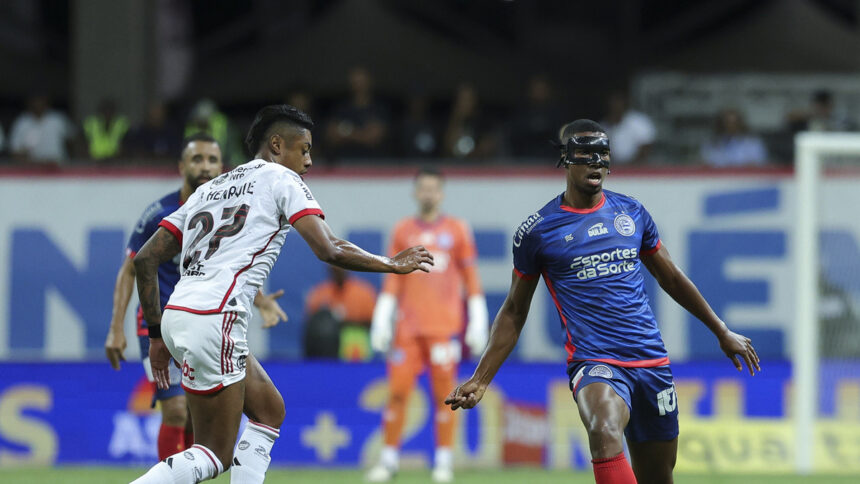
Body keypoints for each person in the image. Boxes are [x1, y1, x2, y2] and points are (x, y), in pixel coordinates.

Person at [444, 119, 760, 484]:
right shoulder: (538, 231)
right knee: (603, 428)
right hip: (594, 362)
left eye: (602, 155)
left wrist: (721, 331)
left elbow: (670, 277)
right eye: (585, 155)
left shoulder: (632, 213)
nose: (595, 163)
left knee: (658, 477)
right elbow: (515, 310)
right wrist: (481, 379)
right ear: (566, 160)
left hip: (650, 360)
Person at [130, 104, 433, 484]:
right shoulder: (280, 179)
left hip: (179, 316)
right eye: (303, 149)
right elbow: (330, 249)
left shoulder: (209, 188)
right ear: (276, 145)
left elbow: (146, 259)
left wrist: (157, 335)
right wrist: (390, 263)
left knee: (269, 410)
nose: (308, 160)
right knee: (212, 454)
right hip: (216, 317)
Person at [104, 133, 288, 461]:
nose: (205, 167)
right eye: (197, 159)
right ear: (181, 166)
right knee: (175, 410)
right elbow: (132, 267)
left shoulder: (226, 211)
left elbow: (228, 266)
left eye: (212, 160)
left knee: (193, 413)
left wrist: (261, 301)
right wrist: (115, 327)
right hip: (158, 323)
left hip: (205, 323)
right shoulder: (159, 212)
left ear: (223, 166)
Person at [367, 167, 488, 483]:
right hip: (407, 330)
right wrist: (382, 319)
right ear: (415, 192)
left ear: (442, 192)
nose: (428, 194)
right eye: (423, 188)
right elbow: (392, 278)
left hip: (443, 329)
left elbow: (471, 279)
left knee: (444, 397)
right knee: (396, 394)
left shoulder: (458, 230)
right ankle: (389, 460)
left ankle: (444, 462)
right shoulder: (402, 230)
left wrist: (478, 320)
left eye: (434, 188)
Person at [305, 266, 377, 361]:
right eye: (334, 268)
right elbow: (311, 323)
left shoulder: (363, 292)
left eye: (340, 267)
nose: (337, 271)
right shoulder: (320, 293)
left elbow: (371, 322)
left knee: (352, 335)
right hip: (327, 343)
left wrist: (344, 322)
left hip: (354, 340)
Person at [325, 67, 390, 159]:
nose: (358, 85)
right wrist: (362, 133)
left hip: (372, 164)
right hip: (344, 163)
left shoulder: (379, 108)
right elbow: (332, 136)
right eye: (355, 81)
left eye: (361, 81)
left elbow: (373, 139)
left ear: (369, 82)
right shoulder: (341, 108)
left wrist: (346, 132)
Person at [9, 94, 76, 164]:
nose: (38, 103)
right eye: (35, 100)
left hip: (59, 167)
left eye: (41, 100)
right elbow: (15, 151)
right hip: (31, 169)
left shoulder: (58, 119)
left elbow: (73, 142)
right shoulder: (22, 122)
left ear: (47, 101)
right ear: (29, 102)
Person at [601, 91, 656, 165]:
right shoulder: (604, 126)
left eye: (618, 102)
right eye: (612, 103)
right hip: (614, 169)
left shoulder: (639, 122)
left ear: (625, 103)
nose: (615, 106)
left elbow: (646, 148)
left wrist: (629, 166)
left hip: (638, 168)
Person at [700, 109, 768, 167]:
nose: (730, 126)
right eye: (727, 122)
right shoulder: (711, 144)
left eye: (734, 123)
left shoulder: (753, 143)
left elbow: (760, 166)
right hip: (718, 181)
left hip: (747, 181)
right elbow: (706, 165)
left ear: (740, 123)